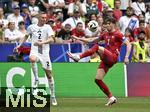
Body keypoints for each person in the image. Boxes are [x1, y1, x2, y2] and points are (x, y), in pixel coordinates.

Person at [67, 17, 131, 106]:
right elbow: (91, 40)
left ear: (113, 24)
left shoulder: (118, 34)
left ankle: (79, 57)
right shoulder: (105, 34)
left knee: (97, 47)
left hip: (113, 57)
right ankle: (111, 97)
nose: (107, 25)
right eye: (106, 23)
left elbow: (128, 44)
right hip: (106, 60)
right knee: (97, 79)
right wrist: (78, 38)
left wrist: (127, 57)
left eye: (108, 23)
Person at [14, 12, 57, 106]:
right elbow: (25, 36)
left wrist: (42, 43)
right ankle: (36, 79)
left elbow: (52, 39)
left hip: (45, 54)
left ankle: (53, 96)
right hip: (35, 51)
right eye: (42, 17)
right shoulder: (31, 27)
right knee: (32, 59)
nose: (44, 19)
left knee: (49, 76)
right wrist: (19, 46)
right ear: (38, 18)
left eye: (45, 17)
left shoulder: (48, 27)